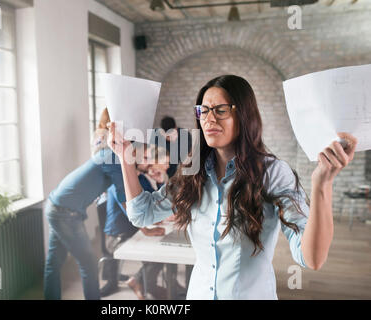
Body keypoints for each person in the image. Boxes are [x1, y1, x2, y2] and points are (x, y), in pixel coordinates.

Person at [108, 74, 358, 300]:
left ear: (244, 115)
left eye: (221, 110)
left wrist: (322, 185)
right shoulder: (192, 172)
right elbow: (141, 213)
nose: (209, 118)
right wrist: (124, 155)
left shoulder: (272, 173)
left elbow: (311, 258)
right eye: (204, 110)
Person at [43, 108, 125, 300]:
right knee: (88, 263)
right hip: (65, 212)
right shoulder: (109, 156)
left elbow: (119, 191)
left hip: (56, 206)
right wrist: (144, 226)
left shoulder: (105, 153)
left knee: (54, 263)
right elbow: (124, 195)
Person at [100, 145, 169, 299]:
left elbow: (154, 204)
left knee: (159, 252)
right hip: (119, 232)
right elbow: (130, 210)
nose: (149, 162)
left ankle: (145, 283)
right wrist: (147, 230)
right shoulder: (122, 182)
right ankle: (141, 282)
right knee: (156, 254)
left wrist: (159, 183)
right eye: (145, 159)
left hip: (134, 230)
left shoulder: (141, 178)